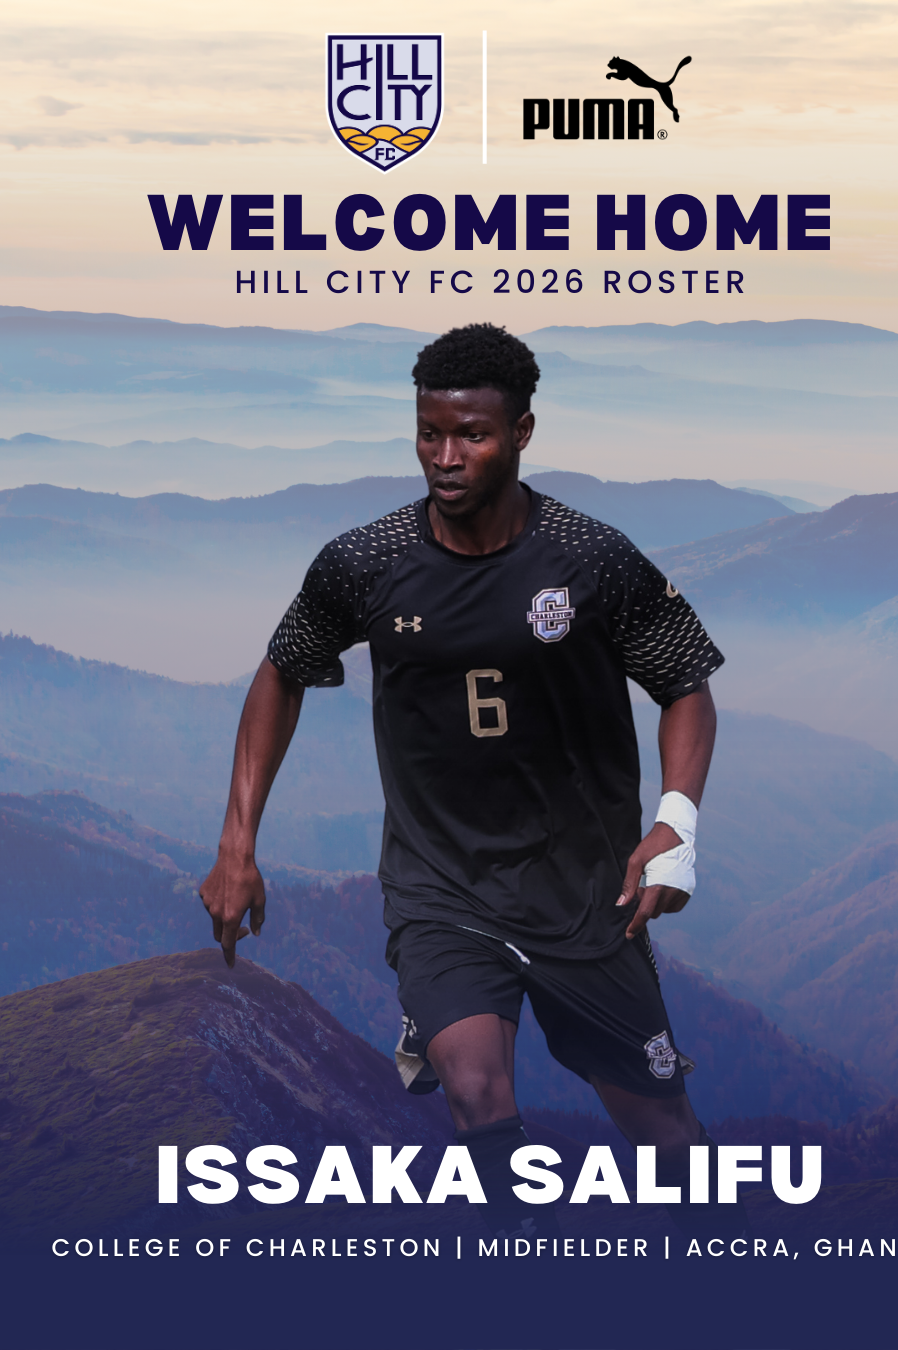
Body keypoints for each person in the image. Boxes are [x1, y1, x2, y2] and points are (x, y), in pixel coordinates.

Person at [200, 322, 740, 1240]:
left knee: (664, 1135)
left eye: (473, 436)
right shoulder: (364, 562)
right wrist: (237, 842)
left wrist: (675, 823)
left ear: (522, 432)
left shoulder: (591, 559)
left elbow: (686, 685)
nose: (445, 458)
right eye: (429, 433)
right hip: (438, 884)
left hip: (584, 890)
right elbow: (283, 669)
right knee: (479, 1101)